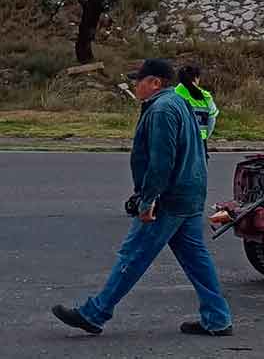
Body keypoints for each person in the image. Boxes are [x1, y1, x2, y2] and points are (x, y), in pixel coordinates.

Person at [52, 59, 233, 337]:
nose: (136, 86)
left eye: (140, 81)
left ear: (155, 83)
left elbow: (162, 161)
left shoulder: (161, 109)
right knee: (197, 260)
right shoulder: (179, 102)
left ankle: (95, 313)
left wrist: (147, 200)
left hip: (169, 198)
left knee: (133, 254)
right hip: (190, 193)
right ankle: (218, 318)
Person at [175, 65, 219, 143]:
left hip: (180, 141)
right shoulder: (206, 96)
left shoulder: (174, 94)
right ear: (196, 78)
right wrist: (205, 138)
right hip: (200, 140)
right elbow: (211, 121)